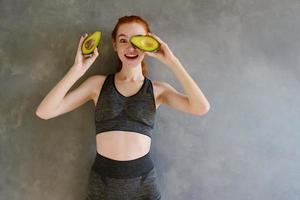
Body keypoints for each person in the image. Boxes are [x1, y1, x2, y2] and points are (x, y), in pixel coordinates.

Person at [35, 15, 210, 200]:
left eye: (137, 40)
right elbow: (45, 112)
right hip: (102, 186)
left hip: (144, 187)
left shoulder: (158, 90)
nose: (131, 47)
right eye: (123, 40)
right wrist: (77, 69)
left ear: (148, 42)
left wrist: (171, 61)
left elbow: (201, 107)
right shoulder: (97, 85)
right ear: (115, 45)